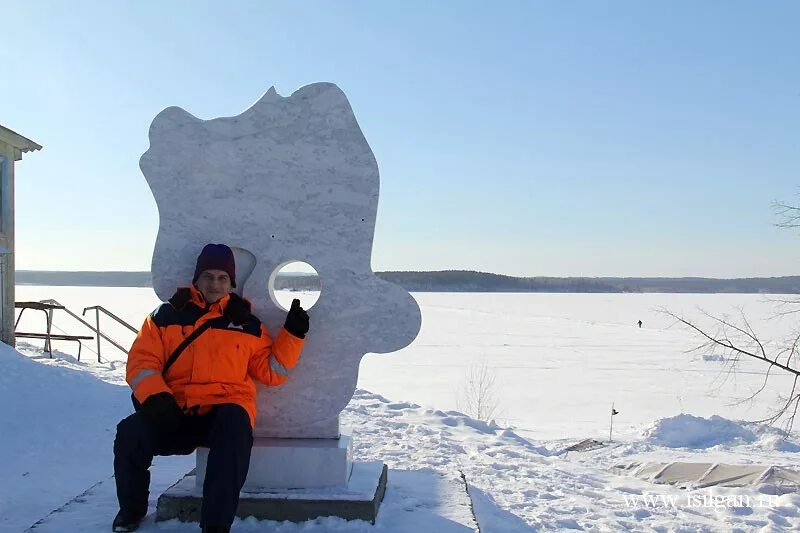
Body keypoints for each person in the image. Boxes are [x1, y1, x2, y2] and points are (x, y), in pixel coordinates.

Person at [112, 244, 309, 533]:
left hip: (222, 413)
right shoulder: (164, 316)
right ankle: (131, 511)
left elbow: (271, 372)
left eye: (222, 278)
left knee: (236, 426)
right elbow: (142, 362)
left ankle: (215, 526)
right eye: (208, 276)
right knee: (130, 433)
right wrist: (156, 399)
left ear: (232, 283)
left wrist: (293, 334)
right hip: (173, 410)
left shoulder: (247, 324)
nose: (215, 284)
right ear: (196, 279)